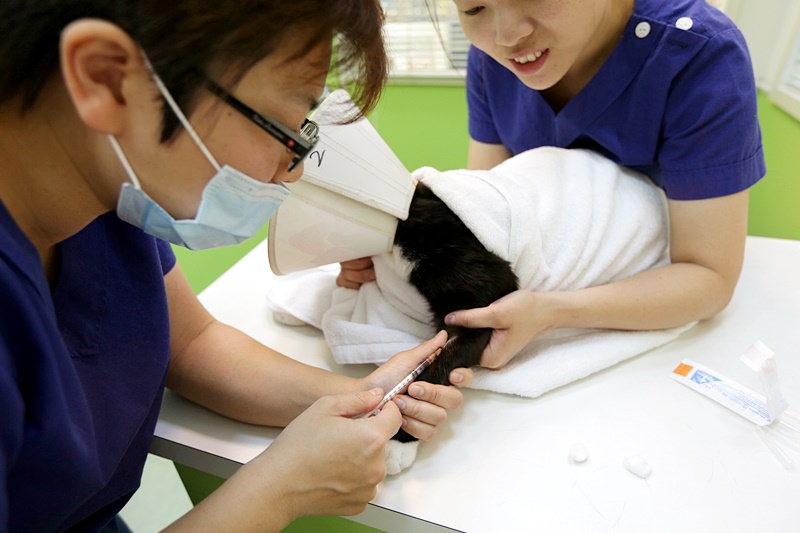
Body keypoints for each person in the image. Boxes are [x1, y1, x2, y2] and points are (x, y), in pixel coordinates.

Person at [0, 2, 472, 531]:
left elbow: (192, 343)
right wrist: (281, 488)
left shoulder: (109, 200)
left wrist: (361, 396)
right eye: (287, 133)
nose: (289, 175)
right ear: (106, 79)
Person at [340, 0, 765, 369]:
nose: (508, 36)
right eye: (473, 9)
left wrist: (552, 312)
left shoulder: (698, 55)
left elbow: (709, 279)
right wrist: (382, 247)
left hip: (648, 309)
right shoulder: (494, 57)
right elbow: (489, 204)